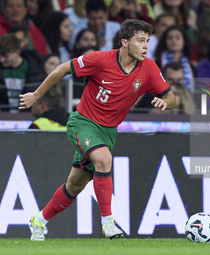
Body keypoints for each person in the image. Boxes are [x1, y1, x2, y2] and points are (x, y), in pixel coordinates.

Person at [19, 19, 176, 241]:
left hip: (108, 132)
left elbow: (172, 97)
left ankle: (39, 220)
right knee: (104, 159)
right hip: (83, 123)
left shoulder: (149, 68)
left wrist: (165, 102)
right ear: (124, 42)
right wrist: (36, 95)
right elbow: (63, 68)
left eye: (147, 41)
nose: (145, 46)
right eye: (140, 40)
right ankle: (108, 222)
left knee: (74, 185)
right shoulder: (100, 59)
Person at [0, 33, 45, 113]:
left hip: (28, 116)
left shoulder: (35, 69)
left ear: (17, 53)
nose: (1, 60)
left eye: (6, 56)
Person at [154, 25, 195, 90]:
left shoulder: (191, 66)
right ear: (165, 41)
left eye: (177, 38)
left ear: (184, 41)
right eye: (170, 38)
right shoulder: (156, 65)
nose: (173, 40)